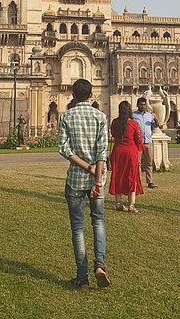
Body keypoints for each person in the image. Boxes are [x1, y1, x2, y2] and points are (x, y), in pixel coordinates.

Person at [58, 78, 111, 290]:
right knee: (98, 221)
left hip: (76, 180)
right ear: (91, 95)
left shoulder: (67, 116)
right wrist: (97, 179)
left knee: (78, 228)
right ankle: (100, 266)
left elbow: (64, 149)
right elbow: (102, 152)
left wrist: (86, 167)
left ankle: (82, 277)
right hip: (98, 178)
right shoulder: (100, 116)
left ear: (73, 95)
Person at [108, 101, 144, 213]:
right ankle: (131, 205)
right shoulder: (133, 124)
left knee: (118, 176)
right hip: (130, 152)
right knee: (131, 176)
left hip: (118, 151)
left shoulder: (115, 122)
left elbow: (113, 135)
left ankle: (119, 203)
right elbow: (139, 139)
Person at [132, 97, 159, 188]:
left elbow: (155, 126)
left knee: (149, 163)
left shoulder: (149, 115)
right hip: (138, 143)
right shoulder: (133, 116)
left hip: (148, 142)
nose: (143, 106)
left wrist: (156, 120)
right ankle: (137, 181)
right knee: (137, 163)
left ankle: (150, 181)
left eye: (144, 105)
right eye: (141, 104)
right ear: (137, 105)